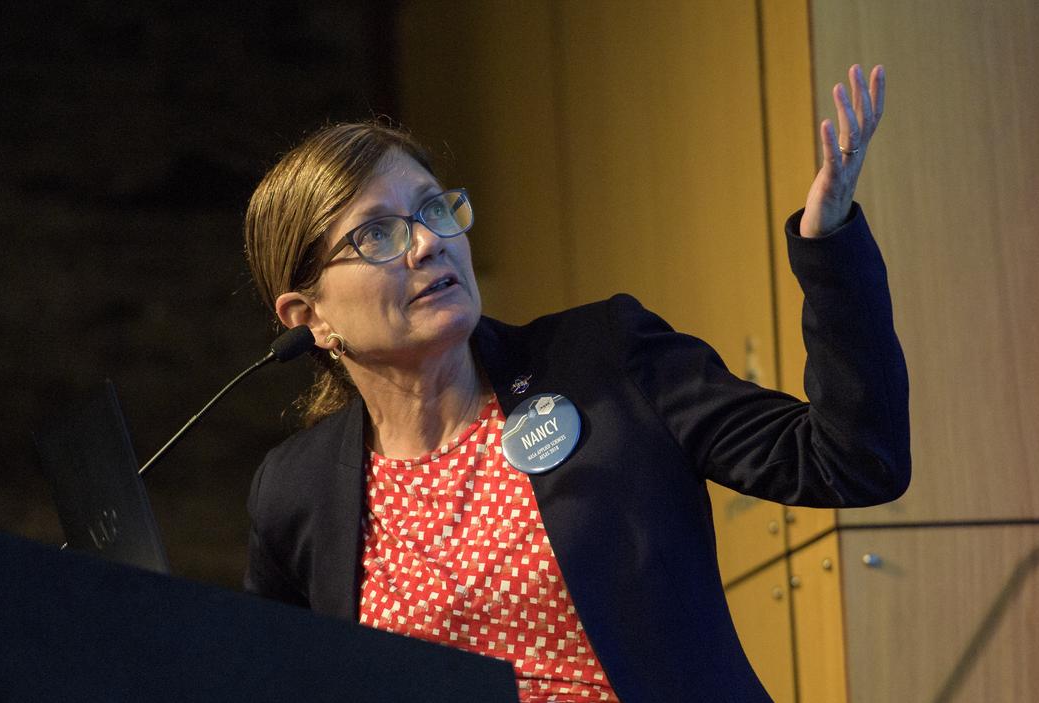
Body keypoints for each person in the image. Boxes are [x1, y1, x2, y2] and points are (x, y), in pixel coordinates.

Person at [242, 64, 904, 702]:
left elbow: (851, 461)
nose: (427, 243)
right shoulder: (297, 491)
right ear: (310, 318)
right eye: (379, 233)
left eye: (434, 210)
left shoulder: (604, 361)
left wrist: (832, 252)